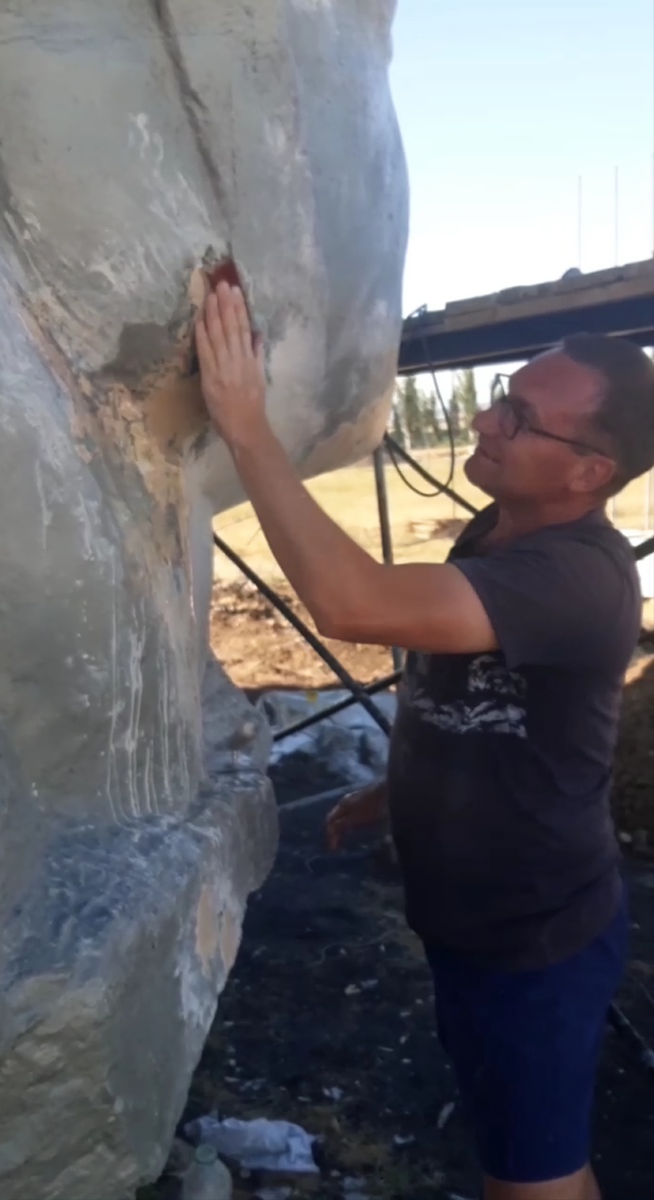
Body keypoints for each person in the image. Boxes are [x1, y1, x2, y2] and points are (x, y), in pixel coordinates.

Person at [194, 279, 654, 1200]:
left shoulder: (575, 577)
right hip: (474, 923)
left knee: (534, 1181)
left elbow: (353, 603)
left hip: (529, 941)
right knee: (518, 1147)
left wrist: (245, 427)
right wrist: (399, 788)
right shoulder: (495, 531)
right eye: (499, 398)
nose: (484, 421)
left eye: (517, 418)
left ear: (588, 473)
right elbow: (476, 695)